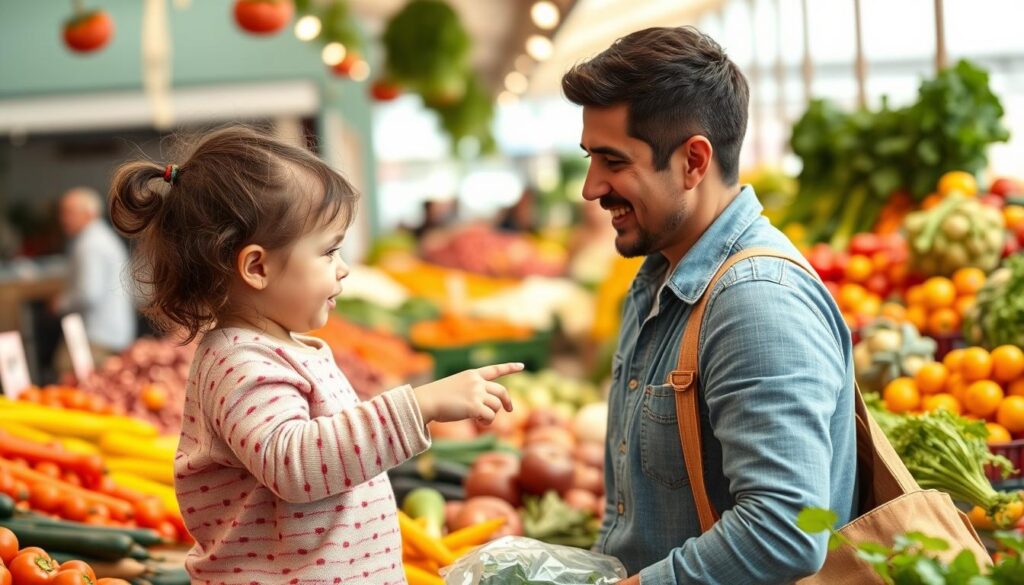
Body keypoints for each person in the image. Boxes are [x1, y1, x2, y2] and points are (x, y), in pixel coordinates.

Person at [108, 126, 522, 583]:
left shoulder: (278, 348)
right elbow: (295, 464)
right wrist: (420, 405)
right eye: (329, 251)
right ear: (257, 267)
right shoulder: (238, 362)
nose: (343, 268)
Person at [561, 26, 857, 584]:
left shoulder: (755, 302)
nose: (591, 186)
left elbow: (785, 531)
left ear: (693, 161)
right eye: (589, 158)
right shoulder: (658, 282)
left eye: (613, 161)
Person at [53, 187, 136, 367]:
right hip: (111, 332)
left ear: (89, 213)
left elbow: (88, 294)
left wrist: (60, 303)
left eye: (69, 212)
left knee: (66, 372)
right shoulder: (102, 237)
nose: (63, 219)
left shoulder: (89, 244)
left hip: (95, 335)